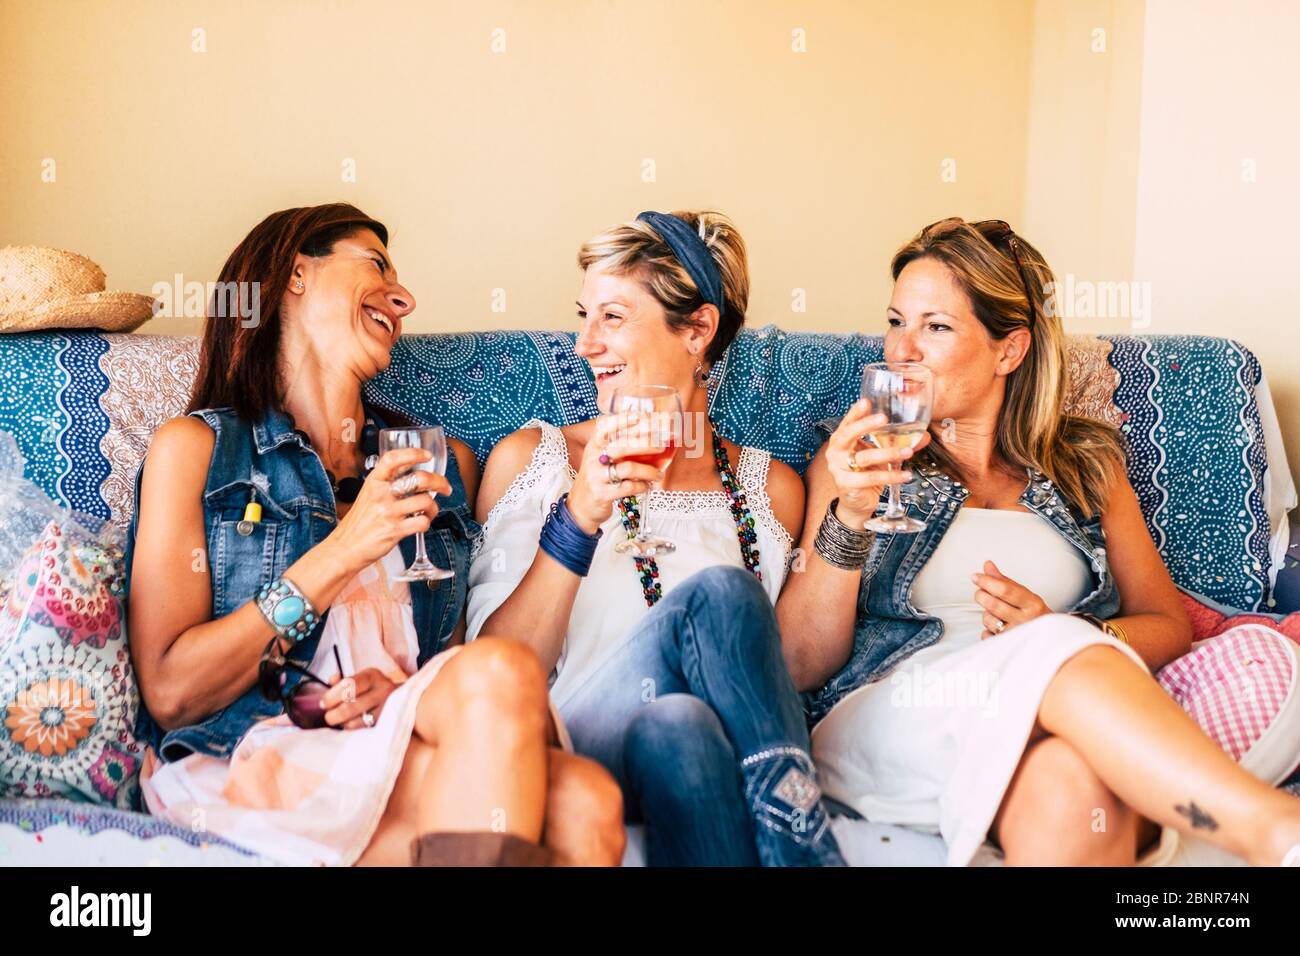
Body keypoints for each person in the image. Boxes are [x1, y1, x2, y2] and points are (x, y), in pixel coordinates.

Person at [777, 216, 1300, 866]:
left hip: (1052, 720)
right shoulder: (853, 457)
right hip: (897, 713)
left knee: (1070, 790)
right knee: (1055, 655)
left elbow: (1167, 623)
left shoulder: (1085, 465)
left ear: (1009, 350)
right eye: (895, 321)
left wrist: (1071, 630)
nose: (901, 349)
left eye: (934, 327)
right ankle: (1273, 831)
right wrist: (848, 520)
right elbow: (798, 662)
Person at [125, 203, 624, 867]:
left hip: (389, 741)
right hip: (252, 755)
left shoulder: (435, 465)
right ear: (296, 273)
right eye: (377, 265)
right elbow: (171, 690)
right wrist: (344, 548)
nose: (404, 296)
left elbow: (465, 680)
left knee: (589, 795)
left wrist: (397, 695)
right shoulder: (198, 450)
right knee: (576, 800)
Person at [469, 210, 845, 866]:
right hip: (576, 737)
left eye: (612, 318)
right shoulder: (538, 459)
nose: (585, 344)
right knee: (722, 592)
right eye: (583, 315)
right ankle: (805, 849)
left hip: (704, 749)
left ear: (699, 328)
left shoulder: (769, 487)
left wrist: (852, 521)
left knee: (682, 726)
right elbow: (497, 672)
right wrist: (578, 518)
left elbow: (784, 669)